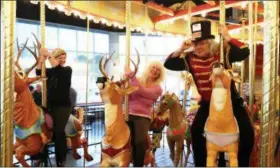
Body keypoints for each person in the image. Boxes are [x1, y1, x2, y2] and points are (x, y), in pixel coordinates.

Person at [164, 20, 254, 167]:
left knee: (247, 133)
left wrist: (228, 37)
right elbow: (169, 64)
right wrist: (180, 49)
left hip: (231, 102)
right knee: (196, 131)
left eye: (202, 43)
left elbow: (245, 52)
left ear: (210, 43)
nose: (198, 47)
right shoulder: (190, 59)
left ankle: (243, 164)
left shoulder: (222, 54)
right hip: (208, 103)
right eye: (196, 44)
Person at [36, 48, 72, 167]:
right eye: (60, 57)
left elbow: (58, 69)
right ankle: (38, 156)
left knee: (58, 131)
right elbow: (38, 72)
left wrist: (48, 55)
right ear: (56, 58)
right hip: (51, 105)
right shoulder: (51, 71)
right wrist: (41, 60)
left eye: (64, 57)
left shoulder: (67, 70)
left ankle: (61, 159)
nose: (63, 59)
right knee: (41, 127)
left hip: (63, 106)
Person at [124, 60, 165, 167]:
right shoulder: (138, 80)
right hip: (128, 114)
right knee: (123, 142)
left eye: (158, 70)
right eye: (153, 67)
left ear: (160, 74)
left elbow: (143, 92)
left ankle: (138, 165)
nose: (155, 70)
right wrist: (125, 80)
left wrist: (132, 76)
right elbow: (128, 94)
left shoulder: (158, 89)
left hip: (142, 117)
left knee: (138, 142)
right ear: (148, 68)